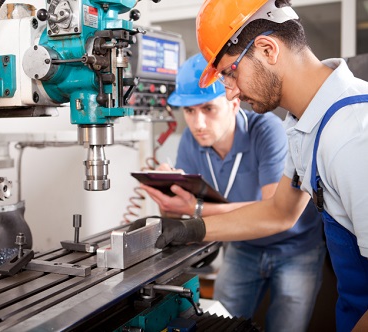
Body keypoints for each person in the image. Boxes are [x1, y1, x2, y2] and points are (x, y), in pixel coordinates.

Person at [130, 0, 368, 330]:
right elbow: (279, 212)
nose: (231, 93)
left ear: (268, 49)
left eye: (230, 74)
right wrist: (190, 229)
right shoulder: (305, 125)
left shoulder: (354, 133)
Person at [138, 53, 325, 332]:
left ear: (234, 103)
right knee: (221, 323)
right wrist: (168, 188)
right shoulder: (191, 140)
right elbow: (182, 209)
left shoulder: (267, 131)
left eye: (208, 109)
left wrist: (195, 209)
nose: (198, 123)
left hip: (295, 249)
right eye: (189, 111)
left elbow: (272, 211)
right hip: (242, 246)